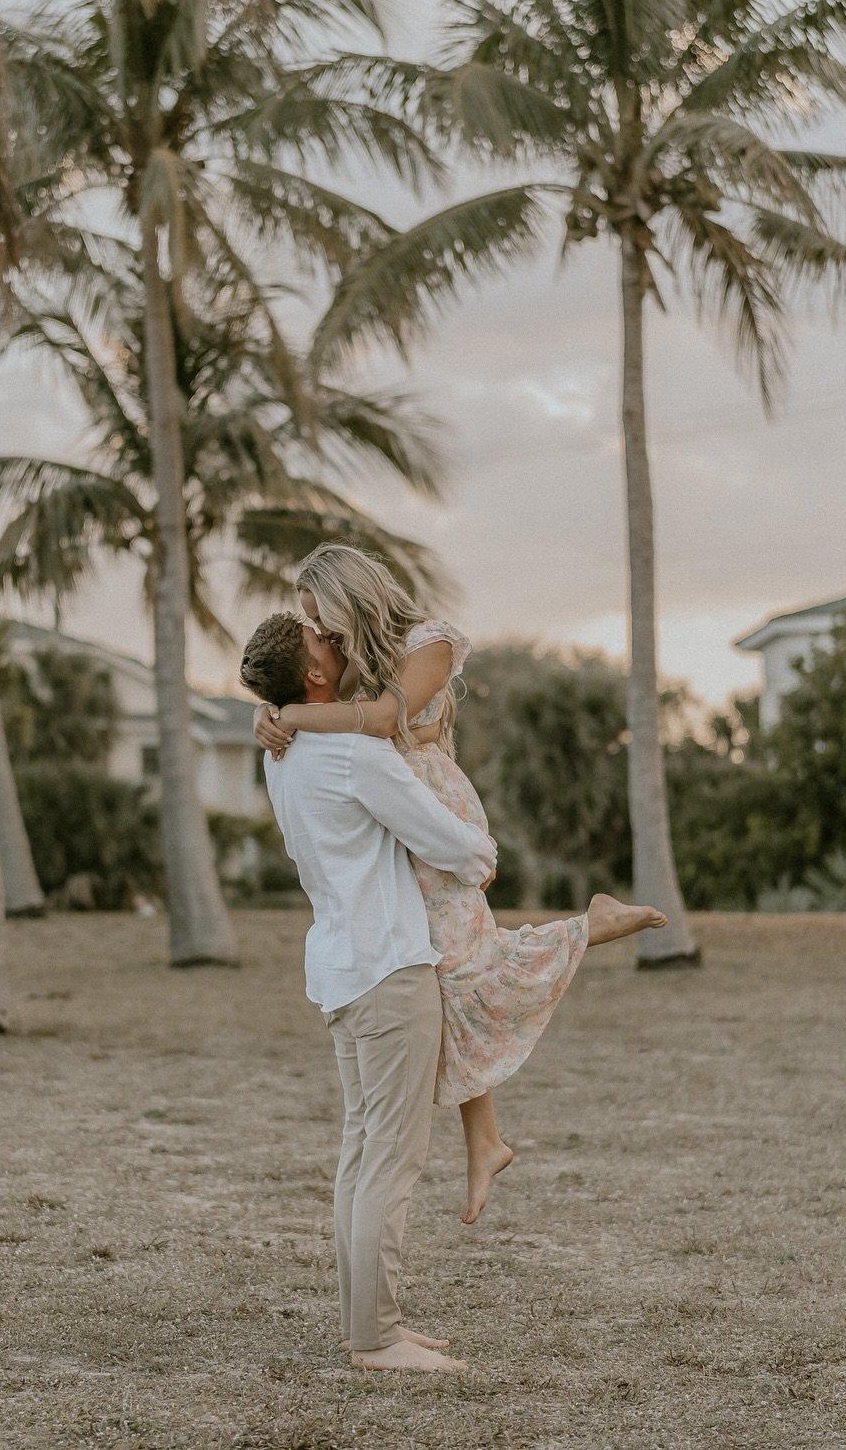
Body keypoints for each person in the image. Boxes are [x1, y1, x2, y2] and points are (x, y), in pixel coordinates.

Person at [253, 543, 667, 1225]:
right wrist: (266, 709)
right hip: (392, 824)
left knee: (467, 968)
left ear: (350, 599)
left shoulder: (430, 644)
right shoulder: (355, 664)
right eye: (311, 627)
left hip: (432, 817)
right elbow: (322, 706)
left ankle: (591, 926)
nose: (321, 638)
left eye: (321, 620)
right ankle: (486, 1140)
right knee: (449, 975)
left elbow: (385, 722)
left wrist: (290, 717)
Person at [240, 610, 494, 1374]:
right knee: (390, 1157)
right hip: (389, 969)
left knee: (362, 1154)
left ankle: (369, 1329)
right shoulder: (349, 751)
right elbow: (453, 845)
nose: (339, 643)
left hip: (342, 969)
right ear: (316, 676)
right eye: (326, 642)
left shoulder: (281, 753)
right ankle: (378, 1339)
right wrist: (483, 850)